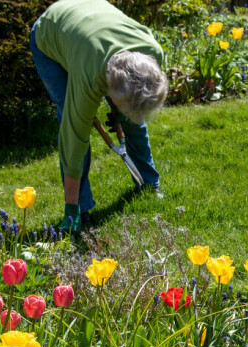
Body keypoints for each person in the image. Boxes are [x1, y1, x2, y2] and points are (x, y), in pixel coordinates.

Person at [30, 0, 168, 233]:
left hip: (90, 19)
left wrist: (123, 115)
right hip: (51, 30)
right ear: (108, 88)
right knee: (72, 118)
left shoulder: (152, 53)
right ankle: (80, 209)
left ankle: (148, 183)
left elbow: (138, 96)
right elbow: (74, 139)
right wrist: (70, 207)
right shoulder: (90, 76)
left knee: (134, 120)